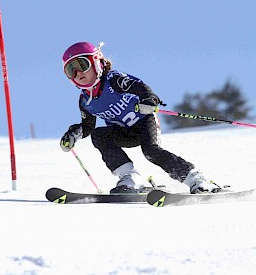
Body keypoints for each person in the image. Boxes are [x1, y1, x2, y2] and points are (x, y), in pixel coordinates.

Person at [60, 41, 221, 194]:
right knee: (99, 135)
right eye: (70, 70)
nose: (77, 73)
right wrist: (74, 134)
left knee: (151, 151)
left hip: (144, 121)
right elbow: (88, 126)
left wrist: (148, 100)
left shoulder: (113, 80)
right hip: (123, 132)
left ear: (97, 62)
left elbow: (140, 87)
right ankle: (131, 177)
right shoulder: (85, 101)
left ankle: (196, 179)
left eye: (82, 65)